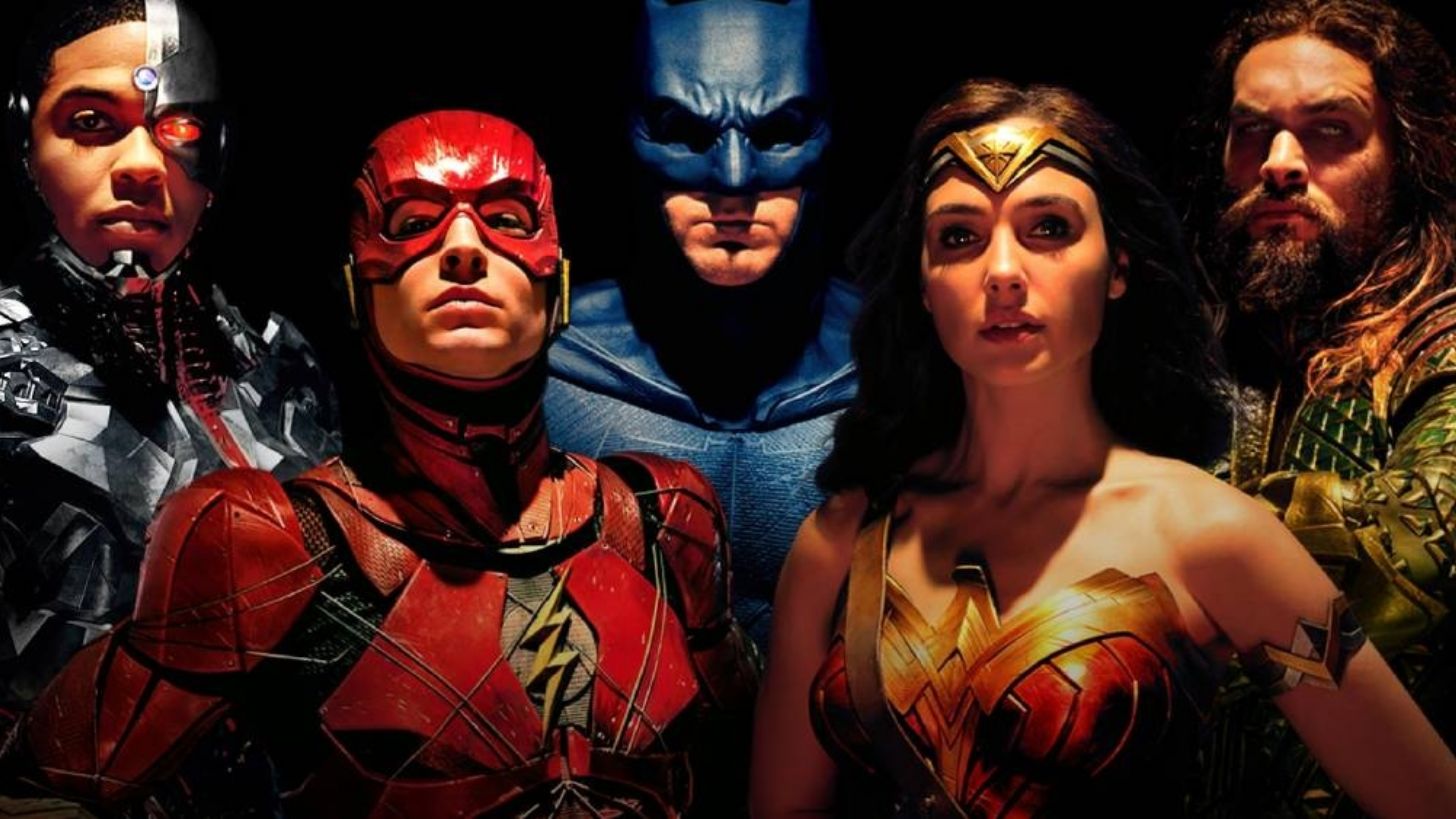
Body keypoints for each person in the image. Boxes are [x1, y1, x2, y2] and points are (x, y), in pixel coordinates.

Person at [1, 110, 757, 818]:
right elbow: (46, 787)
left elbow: (755, 762)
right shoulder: (261, 543)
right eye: (415, 223)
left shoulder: (665, 519)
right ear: (359, 288)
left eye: (506, 219)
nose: (464, 250)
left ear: (555, 282)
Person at [751, 79, 1456, 818]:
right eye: (958, 236)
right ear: (923, 285)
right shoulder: (841, 541)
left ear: (1119, 266)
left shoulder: (1217, 536)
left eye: (1049, 228)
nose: (1002, 272)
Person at [0, 0, 338, 708]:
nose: (143, 165)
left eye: (180, 128)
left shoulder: (280, 360)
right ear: (25, 142)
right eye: (90, 122)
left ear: (217, 158)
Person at [1179, 0, 1456, 811]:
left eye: (1330, 130)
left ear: (1408, 155)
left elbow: (1407, 554)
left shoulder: (1441, 343)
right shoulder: (1188, 351)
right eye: (1252, 131)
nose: (1280, 163)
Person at [545, 0, 859, 649]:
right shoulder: (545, 359)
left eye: (779, 133)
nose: (734, 179)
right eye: (685, 133)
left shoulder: (907, 362)